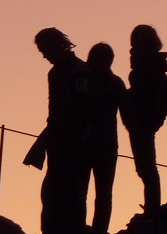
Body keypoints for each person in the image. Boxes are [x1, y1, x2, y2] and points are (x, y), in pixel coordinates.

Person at [24, 28, 91, 234]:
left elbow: (79, 108)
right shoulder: (70, 70)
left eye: (45, 49)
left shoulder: (73, 72)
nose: (44, 55)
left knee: (66, 195)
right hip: (63, 142)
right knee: (63, 195)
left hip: (72, 143)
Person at [125, 24, 167, 213]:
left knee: (147, 167)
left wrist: (157, 119)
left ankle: (153, 208)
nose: (132, 48)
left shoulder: (150, 67)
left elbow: (166, 93)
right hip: (140, 120)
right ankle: (152, 207)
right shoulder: (147, 65)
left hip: (143, 120)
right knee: (145, 166)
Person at [87, 42, 130, 234]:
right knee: (104, 194)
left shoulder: (85, 79)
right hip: (107, 145)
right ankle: (100, 230)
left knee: (81, 190)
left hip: (86, 142)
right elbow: (128, 116)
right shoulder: (116, 83)